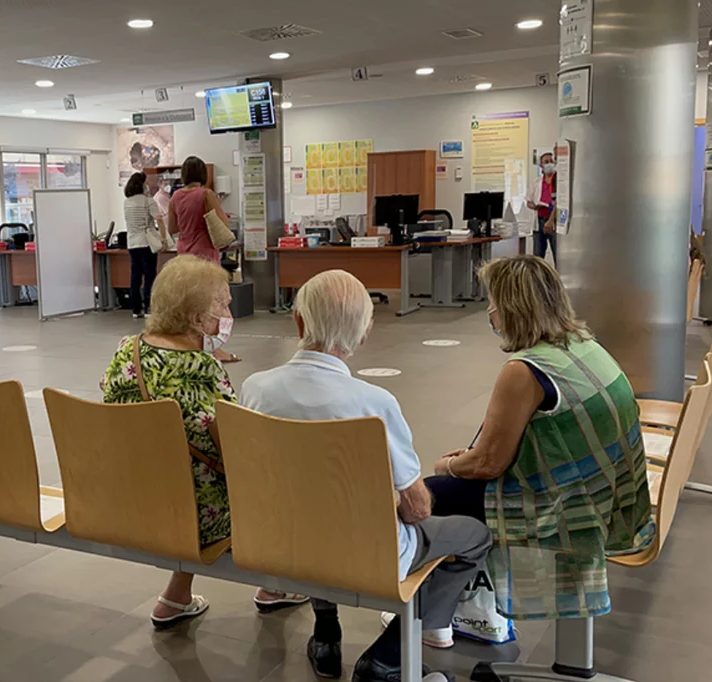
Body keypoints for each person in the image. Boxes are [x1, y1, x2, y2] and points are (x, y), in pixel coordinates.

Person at [241, 270, 492, 682]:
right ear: (364, 333)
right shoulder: (374, 402)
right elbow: (414, 509)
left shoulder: (255, 389)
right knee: (473, 536)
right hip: (368, 554)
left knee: (314, 509)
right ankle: (389, 655)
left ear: (298, 322)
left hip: (279, 541)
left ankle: (325, 633)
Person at [426, 255, 655, 624]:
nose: (490, 312)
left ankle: (435, 617)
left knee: (431, 495)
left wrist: (450, 465)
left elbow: (489, 463)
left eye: (493, 304)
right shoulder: (584, 344)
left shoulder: (524, 371)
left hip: (567, 507)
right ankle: (467, 599)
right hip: (613, 493)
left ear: (512, 310)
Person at [100, 256, 306, 629]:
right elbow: (237, 446)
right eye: (223, 304)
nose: (229, 312)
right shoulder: (205, 371)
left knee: (188, 467)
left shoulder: (126, 350)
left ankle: (176, 597)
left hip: (130, 495)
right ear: (195, 319)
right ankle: (274, 585)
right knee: (277, 474)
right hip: (197, 512)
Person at [168, 155, 240, 363]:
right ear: (203, 174)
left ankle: (191, 346)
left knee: (190, 306)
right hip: (206, 256)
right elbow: (222, 222)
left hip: (184, 257)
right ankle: (215, 350)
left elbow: (173, 228)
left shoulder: (175, 197)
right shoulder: (206, 194)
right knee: (214, 306)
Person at [122, 172, 165, 318]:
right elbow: (159, 219)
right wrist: (164, 238)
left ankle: (135, 309)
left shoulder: (126, 202)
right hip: (147, 243)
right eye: (145, 183)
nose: (147, 186)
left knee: (135, 276)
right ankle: (149, 307)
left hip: (132, 243)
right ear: (141, 185)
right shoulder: (149, 201)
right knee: (149, 275)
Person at [525, 152, 557, 264]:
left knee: (558, 257)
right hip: (539, 222)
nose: (549, 164)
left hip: (554, 222)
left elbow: (560, 201)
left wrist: (551, 220)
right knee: (537, 259)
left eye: (551, 161)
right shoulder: (536, 182)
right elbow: (528, 202)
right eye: (546, 162)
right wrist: (535, 206)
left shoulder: (558, 180)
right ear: (541, 165)